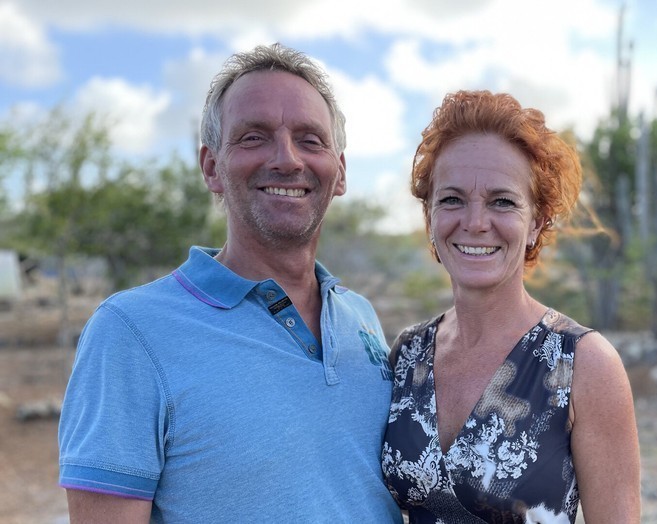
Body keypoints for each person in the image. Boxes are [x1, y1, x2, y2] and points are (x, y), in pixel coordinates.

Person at [58, 43, 403, 523]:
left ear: (340, 171)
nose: (287, 159)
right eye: (253, 137)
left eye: (310, 140)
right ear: (211, 167)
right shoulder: (130, 332)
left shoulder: (358, 315)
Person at [381, 90, 641, 523]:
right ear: (429, 217)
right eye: (451, 199)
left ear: (536, 221)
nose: (475, 222)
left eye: (502, 201)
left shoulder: (584, 364)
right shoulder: (408, 353)